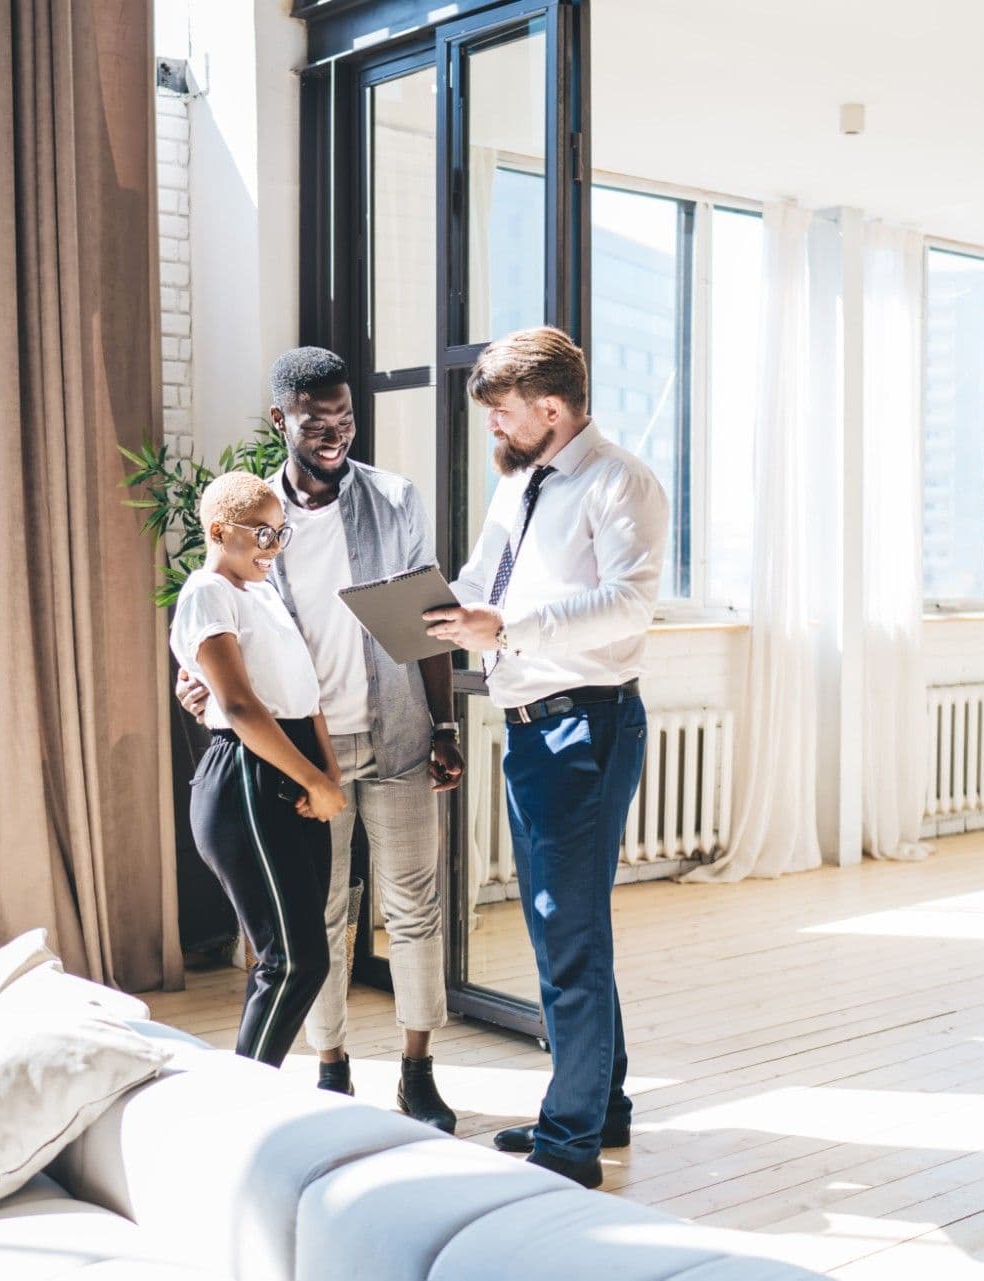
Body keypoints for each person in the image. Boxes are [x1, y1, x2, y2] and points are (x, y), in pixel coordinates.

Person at [179, 346, 465, 1130]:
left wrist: (443, 723)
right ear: (283, 421)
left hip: (399, 731)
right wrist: (196, 682)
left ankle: (418, 1070)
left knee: (414, 906)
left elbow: (427, 621)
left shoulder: (395, 499)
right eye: (316, 419)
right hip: (307, 754)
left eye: (344, 415)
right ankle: (331, 1068)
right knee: (324, 913)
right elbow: (221, 634)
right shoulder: (252, 521)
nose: (334, 431)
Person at [424, 326, 668, 1189]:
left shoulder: (620, 482)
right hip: (531, 726)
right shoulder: (523, 483)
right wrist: (431, 606)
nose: (495, 428)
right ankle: (601, 1109)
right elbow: (483, 579)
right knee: (564, 928)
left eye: (502, 414)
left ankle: (572, 1140)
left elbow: (631, 607)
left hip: (587, 726)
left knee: (568, 931)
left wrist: (512, 629)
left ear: (551, 409)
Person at [170, 470, 347, 1067]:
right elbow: (241, 706)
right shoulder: (206, 591)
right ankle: (244, 1101)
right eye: (261, 535)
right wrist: (314, 781)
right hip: (247, 773)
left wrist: (327, 772)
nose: (273, 548)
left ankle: (247, 1094)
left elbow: (306, 693)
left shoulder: (263, 593)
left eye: (280, 534)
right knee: (293, 960)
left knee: (298, 957)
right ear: (220, 532)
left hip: (292, 765)